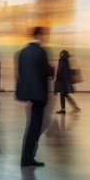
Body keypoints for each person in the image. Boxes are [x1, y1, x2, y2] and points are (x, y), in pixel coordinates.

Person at [16, 27, 54, 167]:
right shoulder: (41, 51)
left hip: (28, 93)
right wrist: (52, 69)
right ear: (39, 35)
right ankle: (27, 157)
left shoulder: (23, 52)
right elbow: (46, 70)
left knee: (31, 125)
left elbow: (21, 72)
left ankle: (28, 156)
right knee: (35, 127)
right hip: (39, 94)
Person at [54, 50, 80, 114]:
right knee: (64, 95)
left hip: (62, 81)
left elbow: (59, 72)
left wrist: (56, 80)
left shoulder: (62, 61)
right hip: (66, 81)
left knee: (63, 95)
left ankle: (67, 108)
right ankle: (72, 107)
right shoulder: (67, 61)